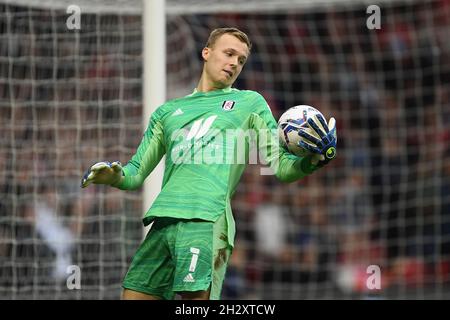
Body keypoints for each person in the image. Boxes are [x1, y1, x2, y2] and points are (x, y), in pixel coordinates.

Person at [80, 27, 337, 300]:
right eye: (229, 54)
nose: (234, 63)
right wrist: (113, 176)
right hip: (164, 220)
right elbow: (134, 173)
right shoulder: (166, 113)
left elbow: (282, 167)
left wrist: (313, 161)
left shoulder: (249, 103)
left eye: (241, 60)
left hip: (205, 220)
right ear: (206, 52)